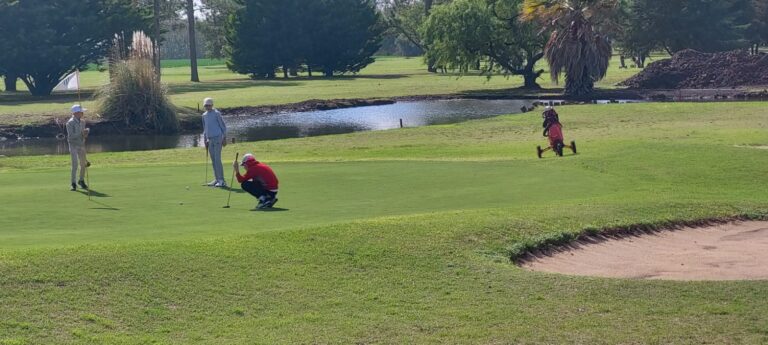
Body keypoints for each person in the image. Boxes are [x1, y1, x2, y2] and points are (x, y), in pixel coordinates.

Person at [201, 97, 228, 187]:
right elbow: (205, 129)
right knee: (213, 160)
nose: (207, 107)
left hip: (218, 138)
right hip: (210, 139)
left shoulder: (217, 113)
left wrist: (224, 138)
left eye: (209, 105)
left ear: (212, 105)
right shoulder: (204, 115)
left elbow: (223, 126)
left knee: (217, 160)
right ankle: (217, 179)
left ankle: (221, 180)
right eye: (206, 105)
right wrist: (205, 140)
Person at [66, 104, 90, 191]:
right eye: (81, 112)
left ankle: (81, 180)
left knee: (83, 164)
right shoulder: (70, 123)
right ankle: (73, 183)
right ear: (76, 113)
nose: (83, 113)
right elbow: (71, 136)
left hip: (81, 145)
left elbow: (83, 136)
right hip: (73, 145)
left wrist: (85, 133)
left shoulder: (83, 122)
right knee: (75, 165)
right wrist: (81, 132)